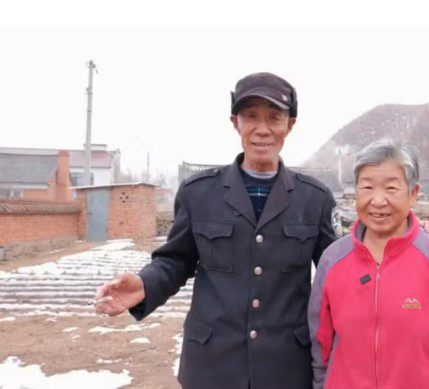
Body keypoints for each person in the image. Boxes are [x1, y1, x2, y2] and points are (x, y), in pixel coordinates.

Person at [94, 72, 337, 389]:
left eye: (274, 118)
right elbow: (176, 260)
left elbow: (337, 272)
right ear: (236, 121)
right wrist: (143, 284)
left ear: (289, 125)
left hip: (286, 366)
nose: (262, 129)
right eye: (251, 116)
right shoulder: (199, 192)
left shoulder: (314, 199)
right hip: (212, 364)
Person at [308, 139, 429, 389]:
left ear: (413, 194)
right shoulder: (333, 261)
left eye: (391, 188)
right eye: (367, 187)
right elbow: (321, 347)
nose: (377, 200)